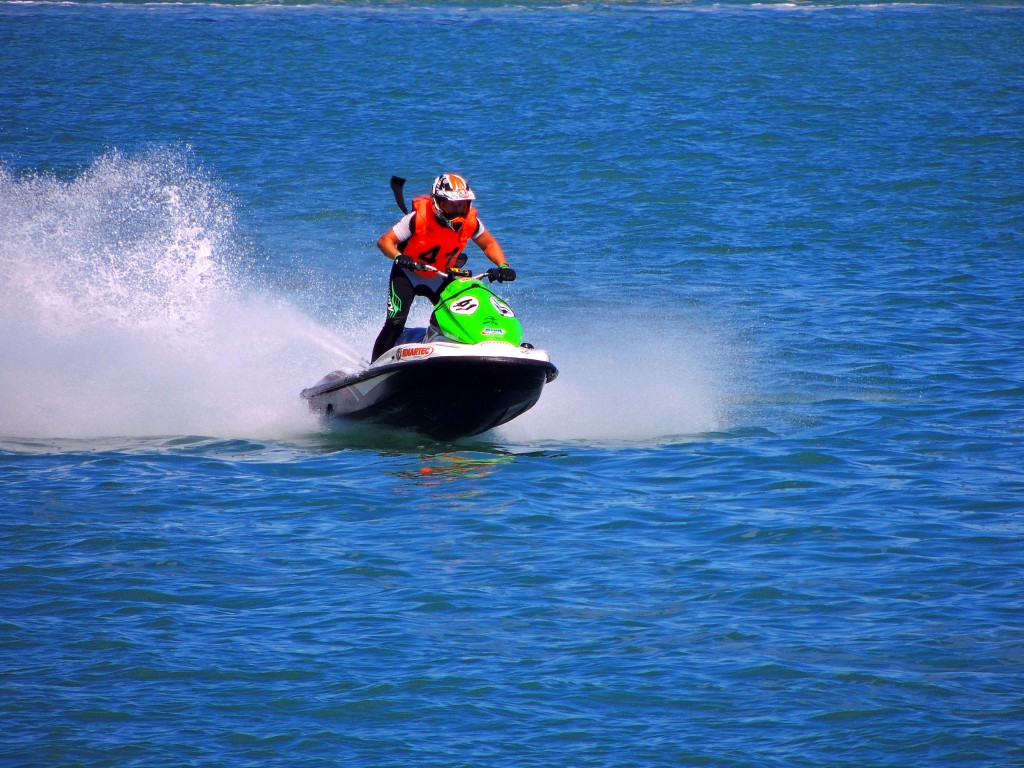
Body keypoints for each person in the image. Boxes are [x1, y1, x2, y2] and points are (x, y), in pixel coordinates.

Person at [371, 173, 516, 361]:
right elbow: (385, 242)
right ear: (438, 203)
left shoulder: (471, 223)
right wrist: (400, 257)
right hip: (408, 273)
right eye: (451, 205)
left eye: (462, 205)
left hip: (439, 275)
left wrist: (502, 266)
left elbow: (489, 244)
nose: (457, 211)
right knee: (395, 323)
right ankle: (373, 368)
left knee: (457, 318)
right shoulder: (417, 219)